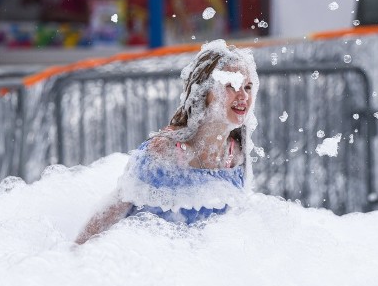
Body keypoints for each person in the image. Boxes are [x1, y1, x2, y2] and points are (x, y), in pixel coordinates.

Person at [76, 40, 259, 243]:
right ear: (205, 92)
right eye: (232, 85)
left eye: (248, 87)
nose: (243, 96)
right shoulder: (164, 153)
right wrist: (74, 255)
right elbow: (114, 208)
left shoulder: (235, 156)